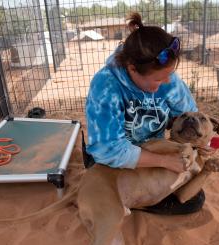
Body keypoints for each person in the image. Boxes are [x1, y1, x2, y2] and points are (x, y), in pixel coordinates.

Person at [84, 12, 204, 215]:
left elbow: (187, 116)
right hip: (113, 160)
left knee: (195, 198)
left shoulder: (169, 80)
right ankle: (122, 200)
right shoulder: (106, 86)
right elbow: (108, 150)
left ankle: (128, 201)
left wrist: (201, 142)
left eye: (170, 75)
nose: (168, 82)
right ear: (132, 69)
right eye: (159, 79)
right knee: (184, 198)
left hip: (154, 150)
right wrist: (165, 162)